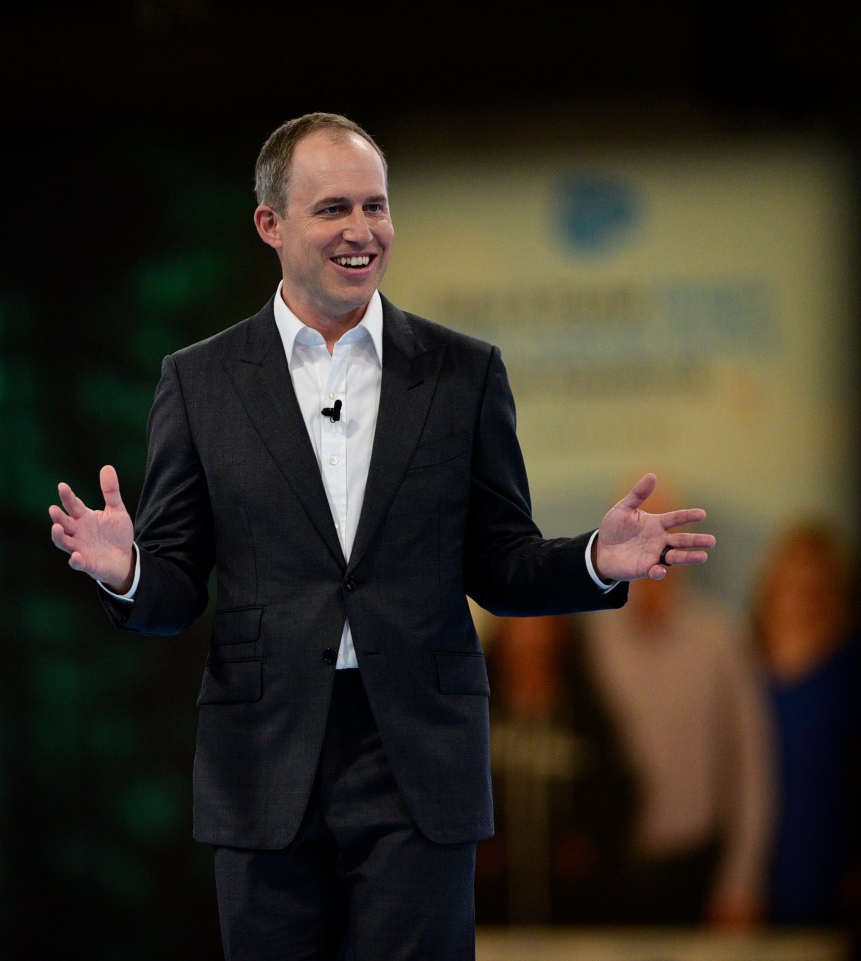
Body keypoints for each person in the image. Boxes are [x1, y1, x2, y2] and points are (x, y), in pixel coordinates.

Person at [47, 111, 715, 961]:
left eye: (376, 206)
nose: (362, 231)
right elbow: (176, 590)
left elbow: (501, 564)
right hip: (265, 754)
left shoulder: (465, 372)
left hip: (418, 753)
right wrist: (132, 571)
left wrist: (592, 558)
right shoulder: (200, 379)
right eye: (333, 209)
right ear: (270, 224)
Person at [581, 489, 773, 932]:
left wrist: (740, 883)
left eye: (663, 522)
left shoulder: (721, 639)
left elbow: (750, 766)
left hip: (696, 872)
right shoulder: (593, 638)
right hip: (608, 875)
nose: (648, 534)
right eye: (634, 522)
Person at [475, 614, 634, 926]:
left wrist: (588, 847)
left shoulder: (585, 715)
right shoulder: (476, 714)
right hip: (487, 915)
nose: (531, 650)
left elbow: (619, 792)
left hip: (573, 917)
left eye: (540, 646)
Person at [751, 521, 860, 931]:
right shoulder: (746, 658)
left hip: (830, 851)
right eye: (791, 580)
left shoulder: (848, 664)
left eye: (813, 583)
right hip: (758, 854)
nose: (800, 593)